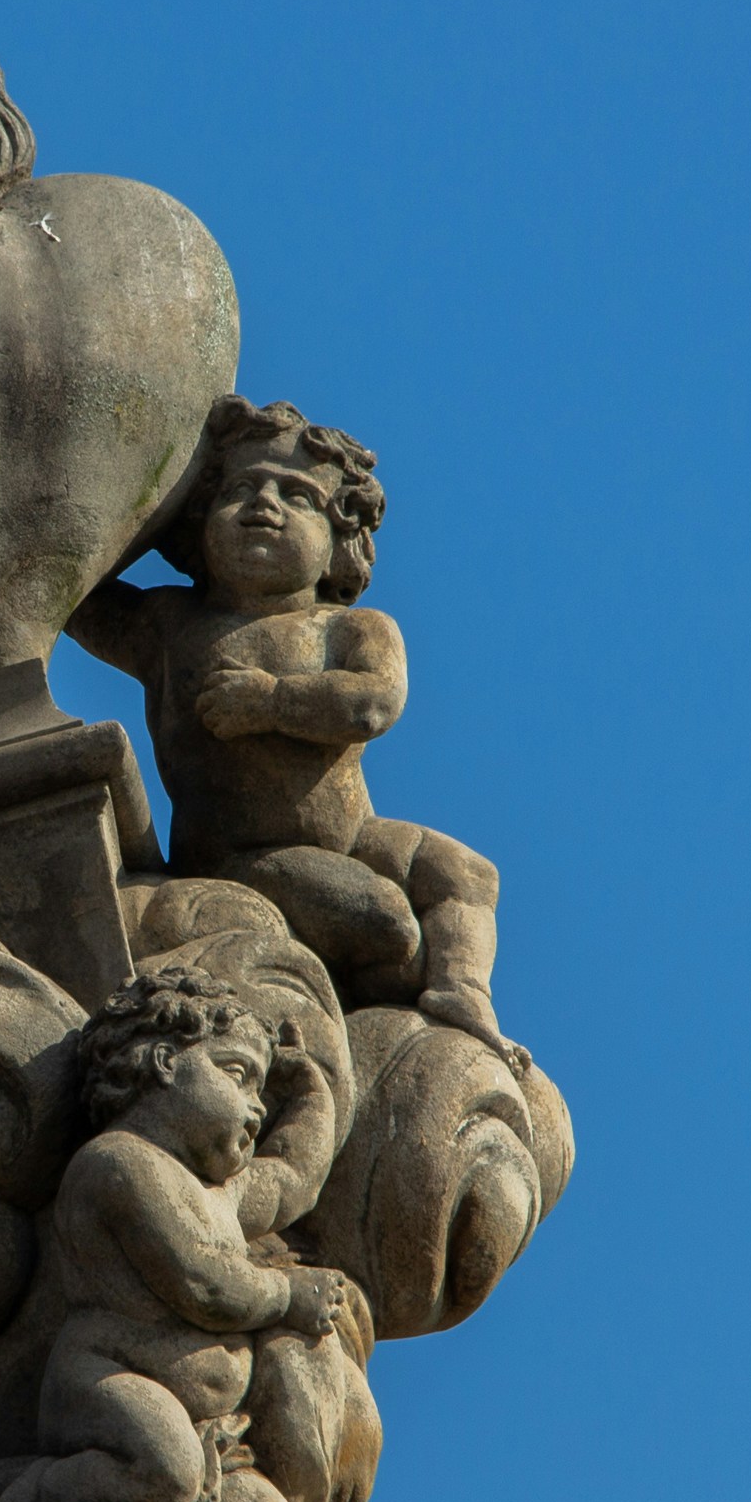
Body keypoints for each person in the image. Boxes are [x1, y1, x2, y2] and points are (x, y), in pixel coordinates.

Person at [0, 967, 388, 1502]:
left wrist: (311, 1094)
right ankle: (35, 1492)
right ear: (164, 1060)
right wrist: (289, 1295)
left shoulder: (223, 1192)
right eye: (236, 1075)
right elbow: (203, 1284)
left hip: (218, 1431)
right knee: (165, 1471)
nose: (251, 1107)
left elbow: (295, 1177)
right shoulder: (118, 1165)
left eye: (259, 1096)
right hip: (110, 1380)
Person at [70, 398, 509, 1048]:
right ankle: (350, 1013)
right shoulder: (168, 625)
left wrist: (273, 701)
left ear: (340, 544)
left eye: (298, 496)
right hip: (240, 855)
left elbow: (372, 703)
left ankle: (462, 990)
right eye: (240, 488)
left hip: (353, 831)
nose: (264, 503)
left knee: (468, 872)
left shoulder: (355, 628)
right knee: (386, 923)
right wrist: (144, 497)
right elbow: (78, 591)